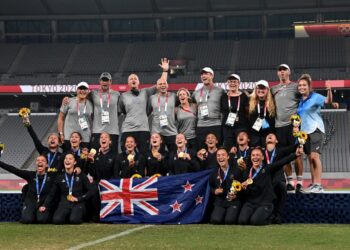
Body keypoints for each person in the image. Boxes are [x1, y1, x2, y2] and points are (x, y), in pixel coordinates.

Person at [238, 146, 303, 225]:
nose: (255, 157)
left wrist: (295, 155)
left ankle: (270, 215)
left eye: (258, 155)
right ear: (250, 157)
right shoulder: (247, 171)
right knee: (242, 221)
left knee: (255, 221)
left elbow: (281, 162)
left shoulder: (267, 168)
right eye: (253, 155)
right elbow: (247, 191)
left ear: (262, 157)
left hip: (264, 203)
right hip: (251, 203)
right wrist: (244, 188)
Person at [120, 58, 169, 155]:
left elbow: (160, 84)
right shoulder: (123, 96)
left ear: (139, 82)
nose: (133, 80)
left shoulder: (145, 92)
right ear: (128, 83)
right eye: (131, 79)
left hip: (143, 129)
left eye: (135, 78)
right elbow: (123, 110)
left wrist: (165, 71)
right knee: (126, 154)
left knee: (144, 154)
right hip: (128, 129)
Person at [297, 74, 334, 193]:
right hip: (304, 133)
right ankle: (313, 184)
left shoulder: (315, 96)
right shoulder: (300, 102)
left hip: (316, 130)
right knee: (310, 159)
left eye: (304, 85)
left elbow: (328, 101)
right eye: (300, 85)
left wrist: (329, 91)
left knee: (314, 157)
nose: (302, 87)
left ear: (309, 87)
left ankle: (319, 185)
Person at [271, 64, 303, 192]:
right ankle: (290, 181)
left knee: (297, 154)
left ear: (289, 72)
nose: (282, 72)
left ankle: (300, 181)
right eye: (280, 70)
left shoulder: (296, 86)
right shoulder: (273, 89)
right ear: (278, 74)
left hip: (293, 126)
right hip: (278, 126)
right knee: (284, 156)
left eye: (284, 70)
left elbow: (306, 98)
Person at [0, 155, 54, 224]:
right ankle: (29, 213)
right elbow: (14, 170)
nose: (40, 161)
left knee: (42, 220)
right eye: (38, 160)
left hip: (42, 204)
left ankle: (36, 215)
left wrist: (45, 205)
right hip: (31, 203)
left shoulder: (51, 177)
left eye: (43, 160)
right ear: (36, 164)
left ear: (47, 165)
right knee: (27, 220)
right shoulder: (30, 175)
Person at [43, 153, 94, 224]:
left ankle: (76, 215)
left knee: (74, 220)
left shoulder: (81, 175)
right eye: (66, 158)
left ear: (75, 162)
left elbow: (91, 191)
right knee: (57, 220)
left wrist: (79, 199)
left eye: (70, 159)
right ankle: (68, 215)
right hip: (64, 204)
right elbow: (52, 193)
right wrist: (45, 205)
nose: (67, 160)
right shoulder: (59, 177)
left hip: (78, 203)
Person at [264, 133, 298, 223]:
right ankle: (269, 215)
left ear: (276, 141)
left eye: (272, 135)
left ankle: (278, 215)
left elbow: (293, 148)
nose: (270, 136)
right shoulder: (260, 152)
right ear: (265, 141)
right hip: (265, 181)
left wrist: (300, 139)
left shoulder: (280, 151)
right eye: (268, 136)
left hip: (278, 180)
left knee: (282, 186)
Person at [192, 67, 225, 148]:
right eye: (202, 74)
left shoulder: (220, 91)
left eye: (206, 74)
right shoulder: (196, 93)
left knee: (217, 149)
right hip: (201, 125)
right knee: (202, 150)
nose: (203, 76)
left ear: (212, 76)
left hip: (216, 124)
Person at [209, 147, 243, 225]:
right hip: (220, 202)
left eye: (223, 155)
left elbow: (243, 188)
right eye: (218, 155)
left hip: (233, 201)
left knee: (229, 221)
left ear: (228, 157)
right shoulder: (214, 173)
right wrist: (214, 191)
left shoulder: (236, 171)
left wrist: (236, 196)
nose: (221, 157)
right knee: (215, 220)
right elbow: (210, 187)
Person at [89, 72, 121, 153]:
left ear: (110, 82)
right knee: (94, 155)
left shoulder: (117, 94)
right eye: (103, 80)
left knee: (113, 156)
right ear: (99, 81)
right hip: (97, 131)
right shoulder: (93, 94)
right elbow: (81, 97)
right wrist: (69, 99)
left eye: (107, 80)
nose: (105, 82)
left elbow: (119, 111)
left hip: (112, 131)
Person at [58, 82, 93, 150]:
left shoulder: (91, 104)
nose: (82, 91)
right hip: (69, 137)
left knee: (83, 159)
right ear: (76, 90)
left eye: (85, 89)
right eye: (80, 88)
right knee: (68, 158)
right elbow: (60, 118)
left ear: (88, 91)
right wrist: (61, 133)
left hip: (85, 138)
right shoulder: (68, 101)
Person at [221, 74, 249, 151]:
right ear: (227, 83)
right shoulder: (223, 96)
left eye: (234, 81)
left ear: (239, 83)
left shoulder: (244, 96)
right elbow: (222, 112)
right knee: (229, 150)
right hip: (228, 128)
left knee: (241, 149)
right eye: (230, 81)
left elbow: (248, 112)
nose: (232, 83)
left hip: (241, 127)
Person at [148, 79, 177, 152]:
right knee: (157, 157)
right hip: (157, 132)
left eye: (164, 83)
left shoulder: (173, 96)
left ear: (167, 85)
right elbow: (147, 112)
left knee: (173, 155)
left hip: (171, 131)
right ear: (157, 86)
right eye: (160, 84)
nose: (162, 85)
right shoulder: (152, 98)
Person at [248, 80, 276, 147]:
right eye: (259, 88)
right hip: (254, 135)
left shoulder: (273, 102)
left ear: (267, 90)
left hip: (268, 134)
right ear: (256, 89)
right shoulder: (250, 101)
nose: (261, 90)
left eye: (263, 88)